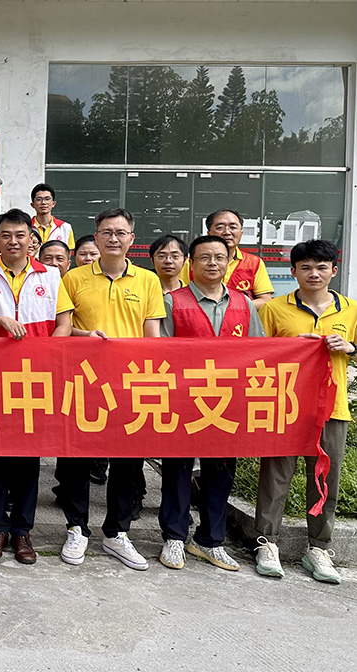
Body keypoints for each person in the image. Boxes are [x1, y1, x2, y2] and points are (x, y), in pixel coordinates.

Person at [0, 210, 74, 565]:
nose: (13, 241)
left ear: (31, 239)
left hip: (35, 380)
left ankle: (23, 531)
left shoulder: (51, 276)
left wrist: (46, 354)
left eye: (20, 235)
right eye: (6, 235)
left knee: (28, 458)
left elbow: (64, 324)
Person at [57, 208, 164, 571]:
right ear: (96, 237)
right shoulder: (73, 278)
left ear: (132, 238)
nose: (114, 239)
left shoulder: (148, 281)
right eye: (106, 232)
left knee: (128, 462)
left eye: (121, 232)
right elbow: (63, 329)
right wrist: (85, 336)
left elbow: (153, 335)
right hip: (83, 381)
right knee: (76, 458)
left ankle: (117, 532)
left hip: (130, 382)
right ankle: (76, 527)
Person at [158, 235, 263, 573]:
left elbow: (260, 351)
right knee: (178, 470)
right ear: (192, 262)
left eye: (220, 257)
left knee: (220, 474)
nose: (213, 263)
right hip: (184, 402)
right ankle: (174, 536)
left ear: (229, 261)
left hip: (226, 404)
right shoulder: (173, 302)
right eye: (205, 257)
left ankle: (210, 541)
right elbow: (159, 354)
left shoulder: (244, 305)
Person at [254, 239, 355, 585]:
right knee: (276, 476)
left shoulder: (350, 310)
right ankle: (267, 542)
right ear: (293, 271)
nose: (314, 274)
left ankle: (319, 547)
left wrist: (349, 347)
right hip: (284, 405)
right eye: (306, 267)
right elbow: (254, 356)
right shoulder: (274, 310)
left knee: (325, 478)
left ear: (333, 271)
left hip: (332, 408)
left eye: (321, 267)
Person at [182, 209, 274, 309]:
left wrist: (231, 308)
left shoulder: (254, 263)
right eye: (220, 227)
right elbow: (180, 296)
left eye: (233, 227)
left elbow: (265, 300)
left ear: (241, 233)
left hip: (240, 321)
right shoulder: (191, 262)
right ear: (209, 233)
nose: (227, 232)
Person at [30, 183, 75, 249]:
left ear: (53, 204)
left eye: (47, 199)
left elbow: (70, 253)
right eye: (39, 199)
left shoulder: (65, 227)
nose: (43, 202)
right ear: (33, 205)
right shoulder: (26, 227)